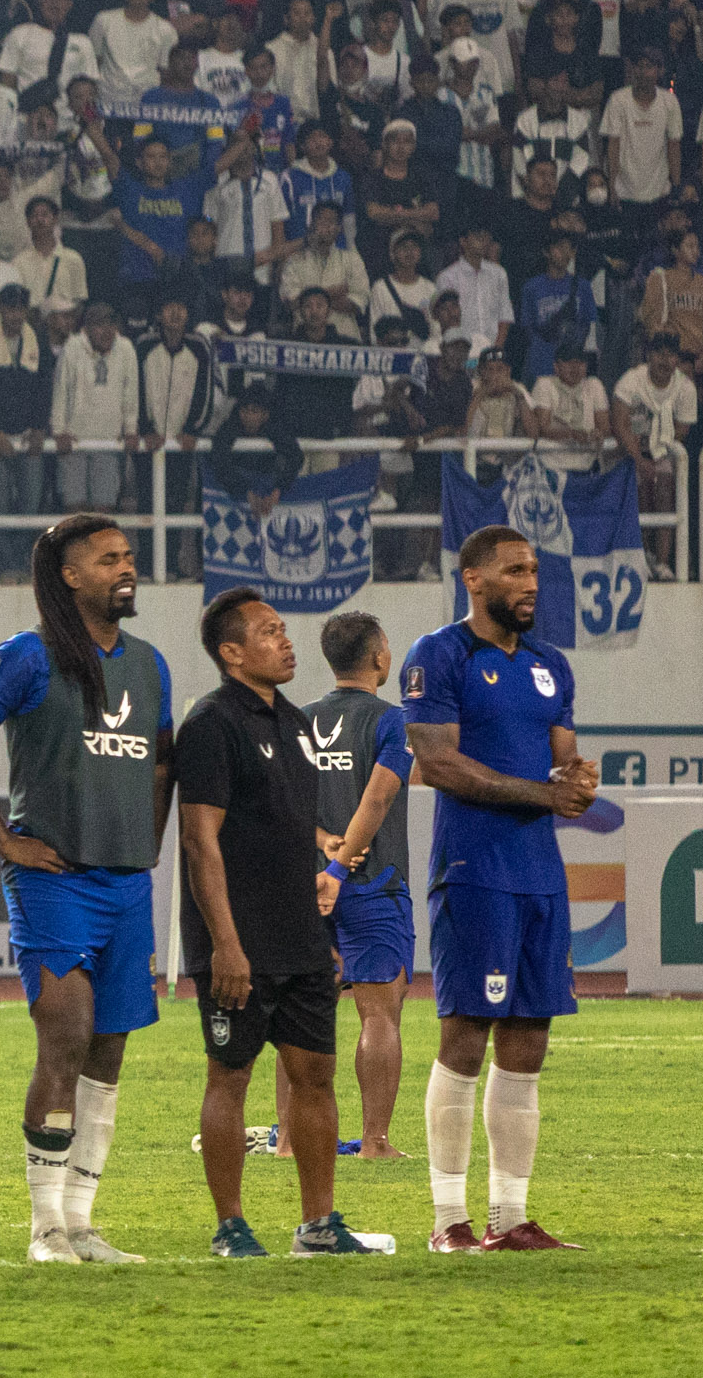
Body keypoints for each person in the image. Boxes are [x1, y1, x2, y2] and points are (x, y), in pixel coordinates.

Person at [0, 513, 177, 1264]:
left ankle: (83, 1224)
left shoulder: (150, 664)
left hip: (126, 883)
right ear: (69, 577)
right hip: (55, 879)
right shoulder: (27, 656)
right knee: (65, 1034)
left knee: (109, 1051)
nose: (125, 568)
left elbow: (164, 761)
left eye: (128, 556)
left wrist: (148, 838)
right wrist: (5, 841)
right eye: (107, 559)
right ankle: (45, 1228)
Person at [173, 589, 379, 1257]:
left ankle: (318, 1224)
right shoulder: (210, 724)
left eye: (284, 629)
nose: (286, 641)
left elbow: (288, 825)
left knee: (315, 1074)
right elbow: (199, 841)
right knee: (229, 1075)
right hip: (238, 941)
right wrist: (224, 945)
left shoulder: (295, 722)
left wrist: (319, 928)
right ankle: (230, 1226)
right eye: (268, 632)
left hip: (300, 938)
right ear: (232, 653)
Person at [402, 528, 592, 1252]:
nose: (531, 582)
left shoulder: (551, 665)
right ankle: (448, 1220)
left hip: (540, 875)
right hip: (474, 869)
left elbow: (564, 762)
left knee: (529, 1040)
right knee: (465, 1036)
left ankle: (509, 1218)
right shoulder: (439, 655)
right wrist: (543, 795)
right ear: (473, 578)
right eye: (515, 570)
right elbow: (438, 764)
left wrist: (578, 780)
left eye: (535, 569)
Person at [306, 612, 412, 1162]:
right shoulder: (392, 721)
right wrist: (343, 866)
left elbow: (285, 804)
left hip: (307, 886)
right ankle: (375, 1143)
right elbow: (379, 797)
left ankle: (291, 1141)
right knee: (379, 1015)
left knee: (301, 1017)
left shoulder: (300, 720)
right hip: (372, 883)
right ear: (378, 658)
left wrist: (324, 848)